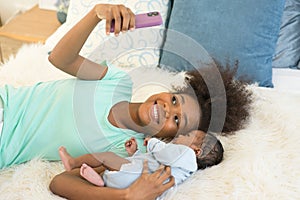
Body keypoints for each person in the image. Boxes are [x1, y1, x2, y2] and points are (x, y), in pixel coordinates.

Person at [0, 3, 251, 171]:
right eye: (174, 100)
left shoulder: (129, 151)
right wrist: (96, 13)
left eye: (176, 120)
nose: (167, 109)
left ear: (172, 137)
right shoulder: (117, 81)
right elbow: (60, 58)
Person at [50, 130, 223, 199]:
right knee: (109, 164)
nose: (181, 135)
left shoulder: (186, 156)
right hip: (133, 177)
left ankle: (73, 162)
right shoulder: (179, 163)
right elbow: (149, 161)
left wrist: (153, 143)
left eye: (188, 134)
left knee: (107, 157)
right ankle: (100, 182)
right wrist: (136, 153)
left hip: (136, 178)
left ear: (196, 151)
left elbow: (160, 153)